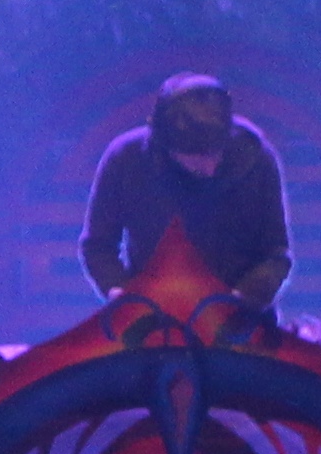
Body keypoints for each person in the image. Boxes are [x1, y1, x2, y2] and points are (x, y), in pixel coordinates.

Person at [76, 74, 292, 340]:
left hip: (240, 327)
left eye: (216, 154)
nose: (210, 167)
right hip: (152, 328)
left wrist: (241, 300)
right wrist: (122, 296)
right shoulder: (125, 159)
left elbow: (276, 254)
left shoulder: (257, 159)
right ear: (166, 147)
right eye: (198, 158)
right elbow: (97, 246)